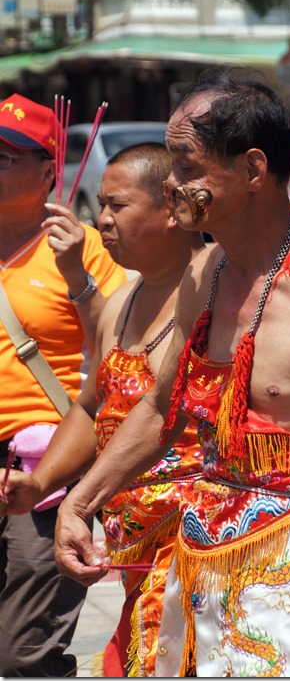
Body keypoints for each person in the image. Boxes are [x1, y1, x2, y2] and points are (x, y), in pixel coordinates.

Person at [52, 66, 290, 677]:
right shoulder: (203, 275)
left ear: (254, 170)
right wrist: (82, 500)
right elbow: (160, 406)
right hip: (200, 555)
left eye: (186, 165)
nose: (172, 184)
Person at [0, 142, 206, 677]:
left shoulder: (220, 290)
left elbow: (163, 413)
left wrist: (77, 501)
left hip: (206, 546)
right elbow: (94, 407)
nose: (103, 221)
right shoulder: (122, 303)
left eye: (117, 207)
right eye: (102, 209)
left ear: (173, 208)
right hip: (138, 546)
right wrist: (40, 483)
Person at [0, 93, 127, 676]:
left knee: (22, 652)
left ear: (50, 170)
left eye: (8, 156)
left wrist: (76, 273)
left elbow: (121, 347)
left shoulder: (83, 249)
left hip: (40, 467)